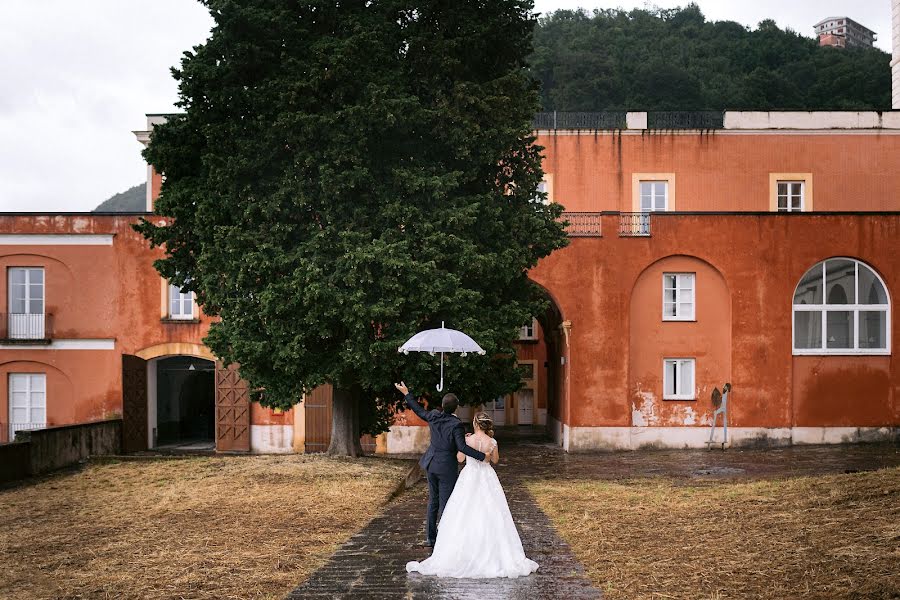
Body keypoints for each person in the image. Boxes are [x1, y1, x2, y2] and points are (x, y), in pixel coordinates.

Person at [405, 409, 539, 578]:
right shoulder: (492, 442)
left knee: (464, 510)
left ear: (475, 424)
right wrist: (486, 454)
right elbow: (495, 460)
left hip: (468, 477)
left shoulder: (468, 440)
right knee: (491, 511)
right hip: (487, 477)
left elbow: (460, 459)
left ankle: (463, 548)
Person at [394, 381, 489, 547]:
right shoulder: (456, 424)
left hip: (431, 463)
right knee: (446, 503)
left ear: (443, 406)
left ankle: (431, 538)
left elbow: (418, 410)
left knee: (433, 501)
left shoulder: (434, 415)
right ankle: (445, 540)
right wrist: (482, 456)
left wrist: (407, 393)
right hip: (446, 467)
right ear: (456, 407)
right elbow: (462, 447)